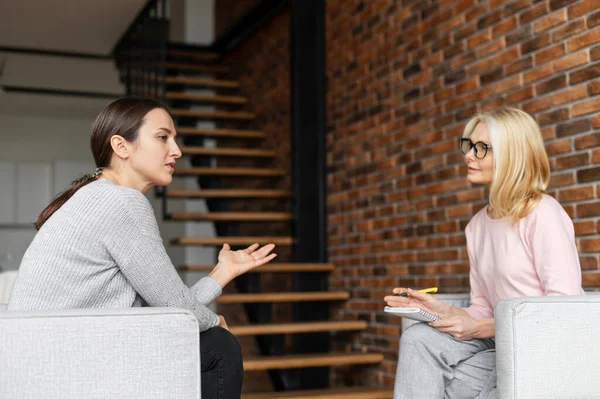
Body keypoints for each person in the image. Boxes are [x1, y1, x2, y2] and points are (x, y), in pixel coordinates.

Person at [7, 97, 277, 399]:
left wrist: (221, 273)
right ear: (121, 146)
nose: (176, 150)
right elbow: (181, 312)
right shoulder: (121, 203)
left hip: (42, 354)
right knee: (218, 345)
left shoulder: (98, 196)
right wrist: (215, 321)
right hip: (61, 357)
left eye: (174, 139)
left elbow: (167, 309)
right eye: (163, 137)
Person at [385, 107, 584, 399]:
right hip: (498, 342)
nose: (468, 155)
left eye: (482, 149)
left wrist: (479, 328)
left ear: (511, 155)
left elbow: (564, 309)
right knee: (417, 339)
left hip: (542, 348)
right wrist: (442, 311)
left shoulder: (543, 213)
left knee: (455, 381)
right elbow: (481, 306)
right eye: (469, 146)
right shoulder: (477, 227)